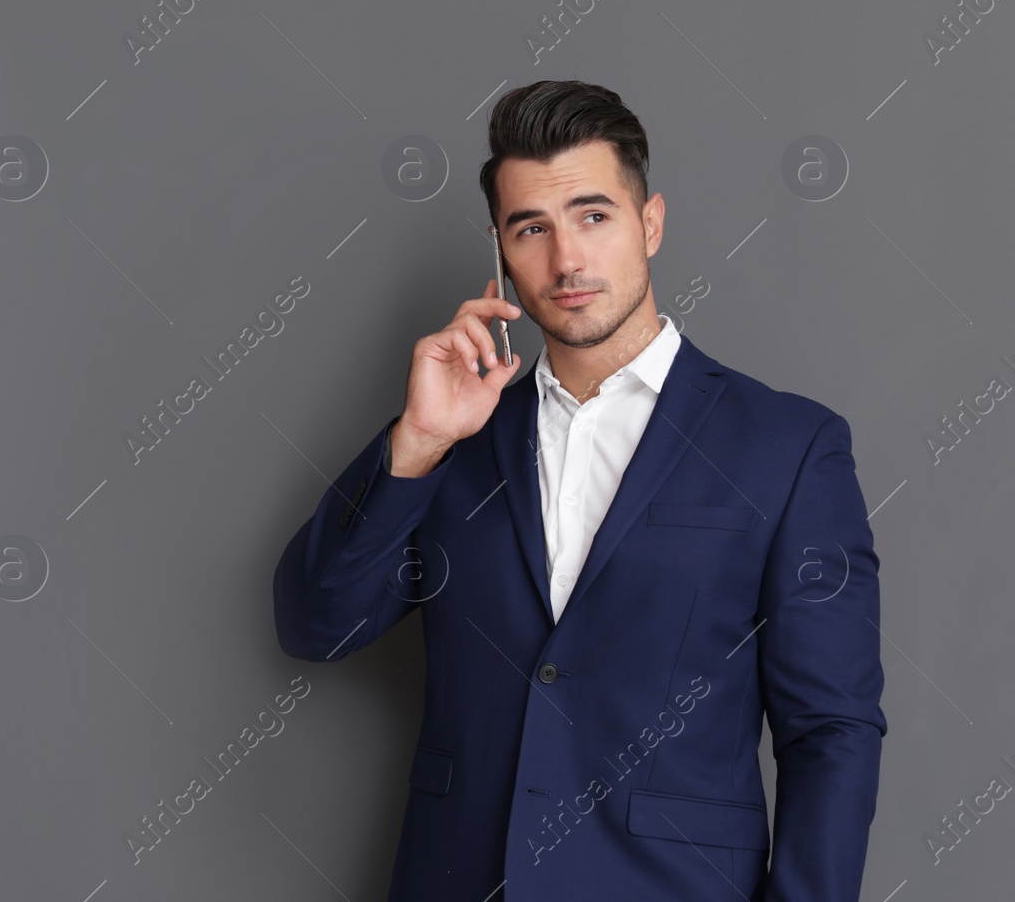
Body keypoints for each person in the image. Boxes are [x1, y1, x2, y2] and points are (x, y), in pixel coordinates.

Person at [272, 80, 885, 901]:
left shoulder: (788, 447)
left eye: (594, 216)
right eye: (533, 228)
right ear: (500, 250)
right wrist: (416, 442)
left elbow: (831, 732)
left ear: (651, 223)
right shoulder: (458, 435)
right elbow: (317, 623)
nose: (566, 260)